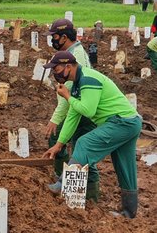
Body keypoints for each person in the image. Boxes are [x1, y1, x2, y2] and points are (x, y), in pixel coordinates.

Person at [42, 51, 141, 219]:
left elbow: (88, 110)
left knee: (84, 143)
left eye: (56, 69)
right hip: (128, 123)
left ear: (68, 67)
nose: (54, 74)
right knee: (124, 166)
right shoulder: (76, 84)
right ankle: (128, 212)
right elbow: (73, 116)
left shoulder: (88, 79)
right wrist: (59, 144)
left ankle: (62, 184)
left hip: (122, 122)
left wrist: (67, 96)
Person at [43, 18, 98, 200]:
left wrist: (55, 118)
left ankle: (89, 197)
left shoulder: (74, 57)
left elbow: (68, 95)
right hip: (78, 108)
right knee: (76, 149)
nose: (53, 40)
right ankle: (66, 181)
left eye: (55, 36)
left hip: (82, 111)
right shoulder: (73, 52)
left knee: (83, 153)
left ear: (64, 37)